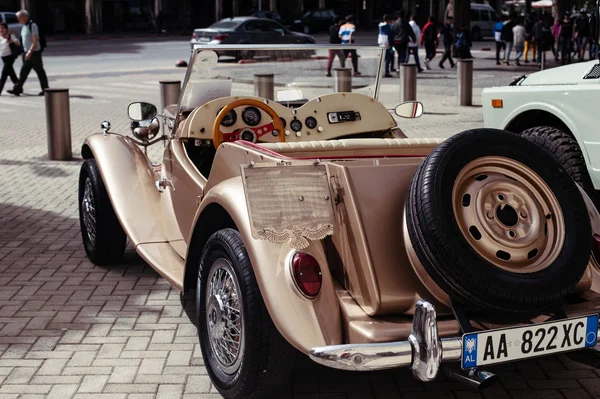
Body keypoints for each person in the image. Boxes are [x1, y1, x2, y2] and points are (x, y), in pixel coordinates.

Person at [7, 10, 48, 96]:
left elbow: (35, 40)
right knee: (23, 72)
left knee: (40, 71)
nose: (18, 20)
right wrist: (13, 39)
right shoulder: (24, 27)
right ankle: (17, 89)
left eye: (19, 18)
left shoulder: (32, 25)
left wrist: (30, 52)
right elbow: (22, 42)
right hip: (26, 52)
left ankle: (45, 90)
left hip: (34, 53)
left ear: (24, 17)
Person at [0, 22, 20, 96]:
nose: (1, 29)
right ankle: (19, 87)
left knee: (4, 74)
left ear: (6, 29)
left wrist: (12, 40)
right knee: (11, 74)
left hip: (10, 56)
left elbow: (18, 43)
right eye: (0, 28)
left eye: (3, 28)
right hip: (3, 56)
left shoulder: (10, 36)